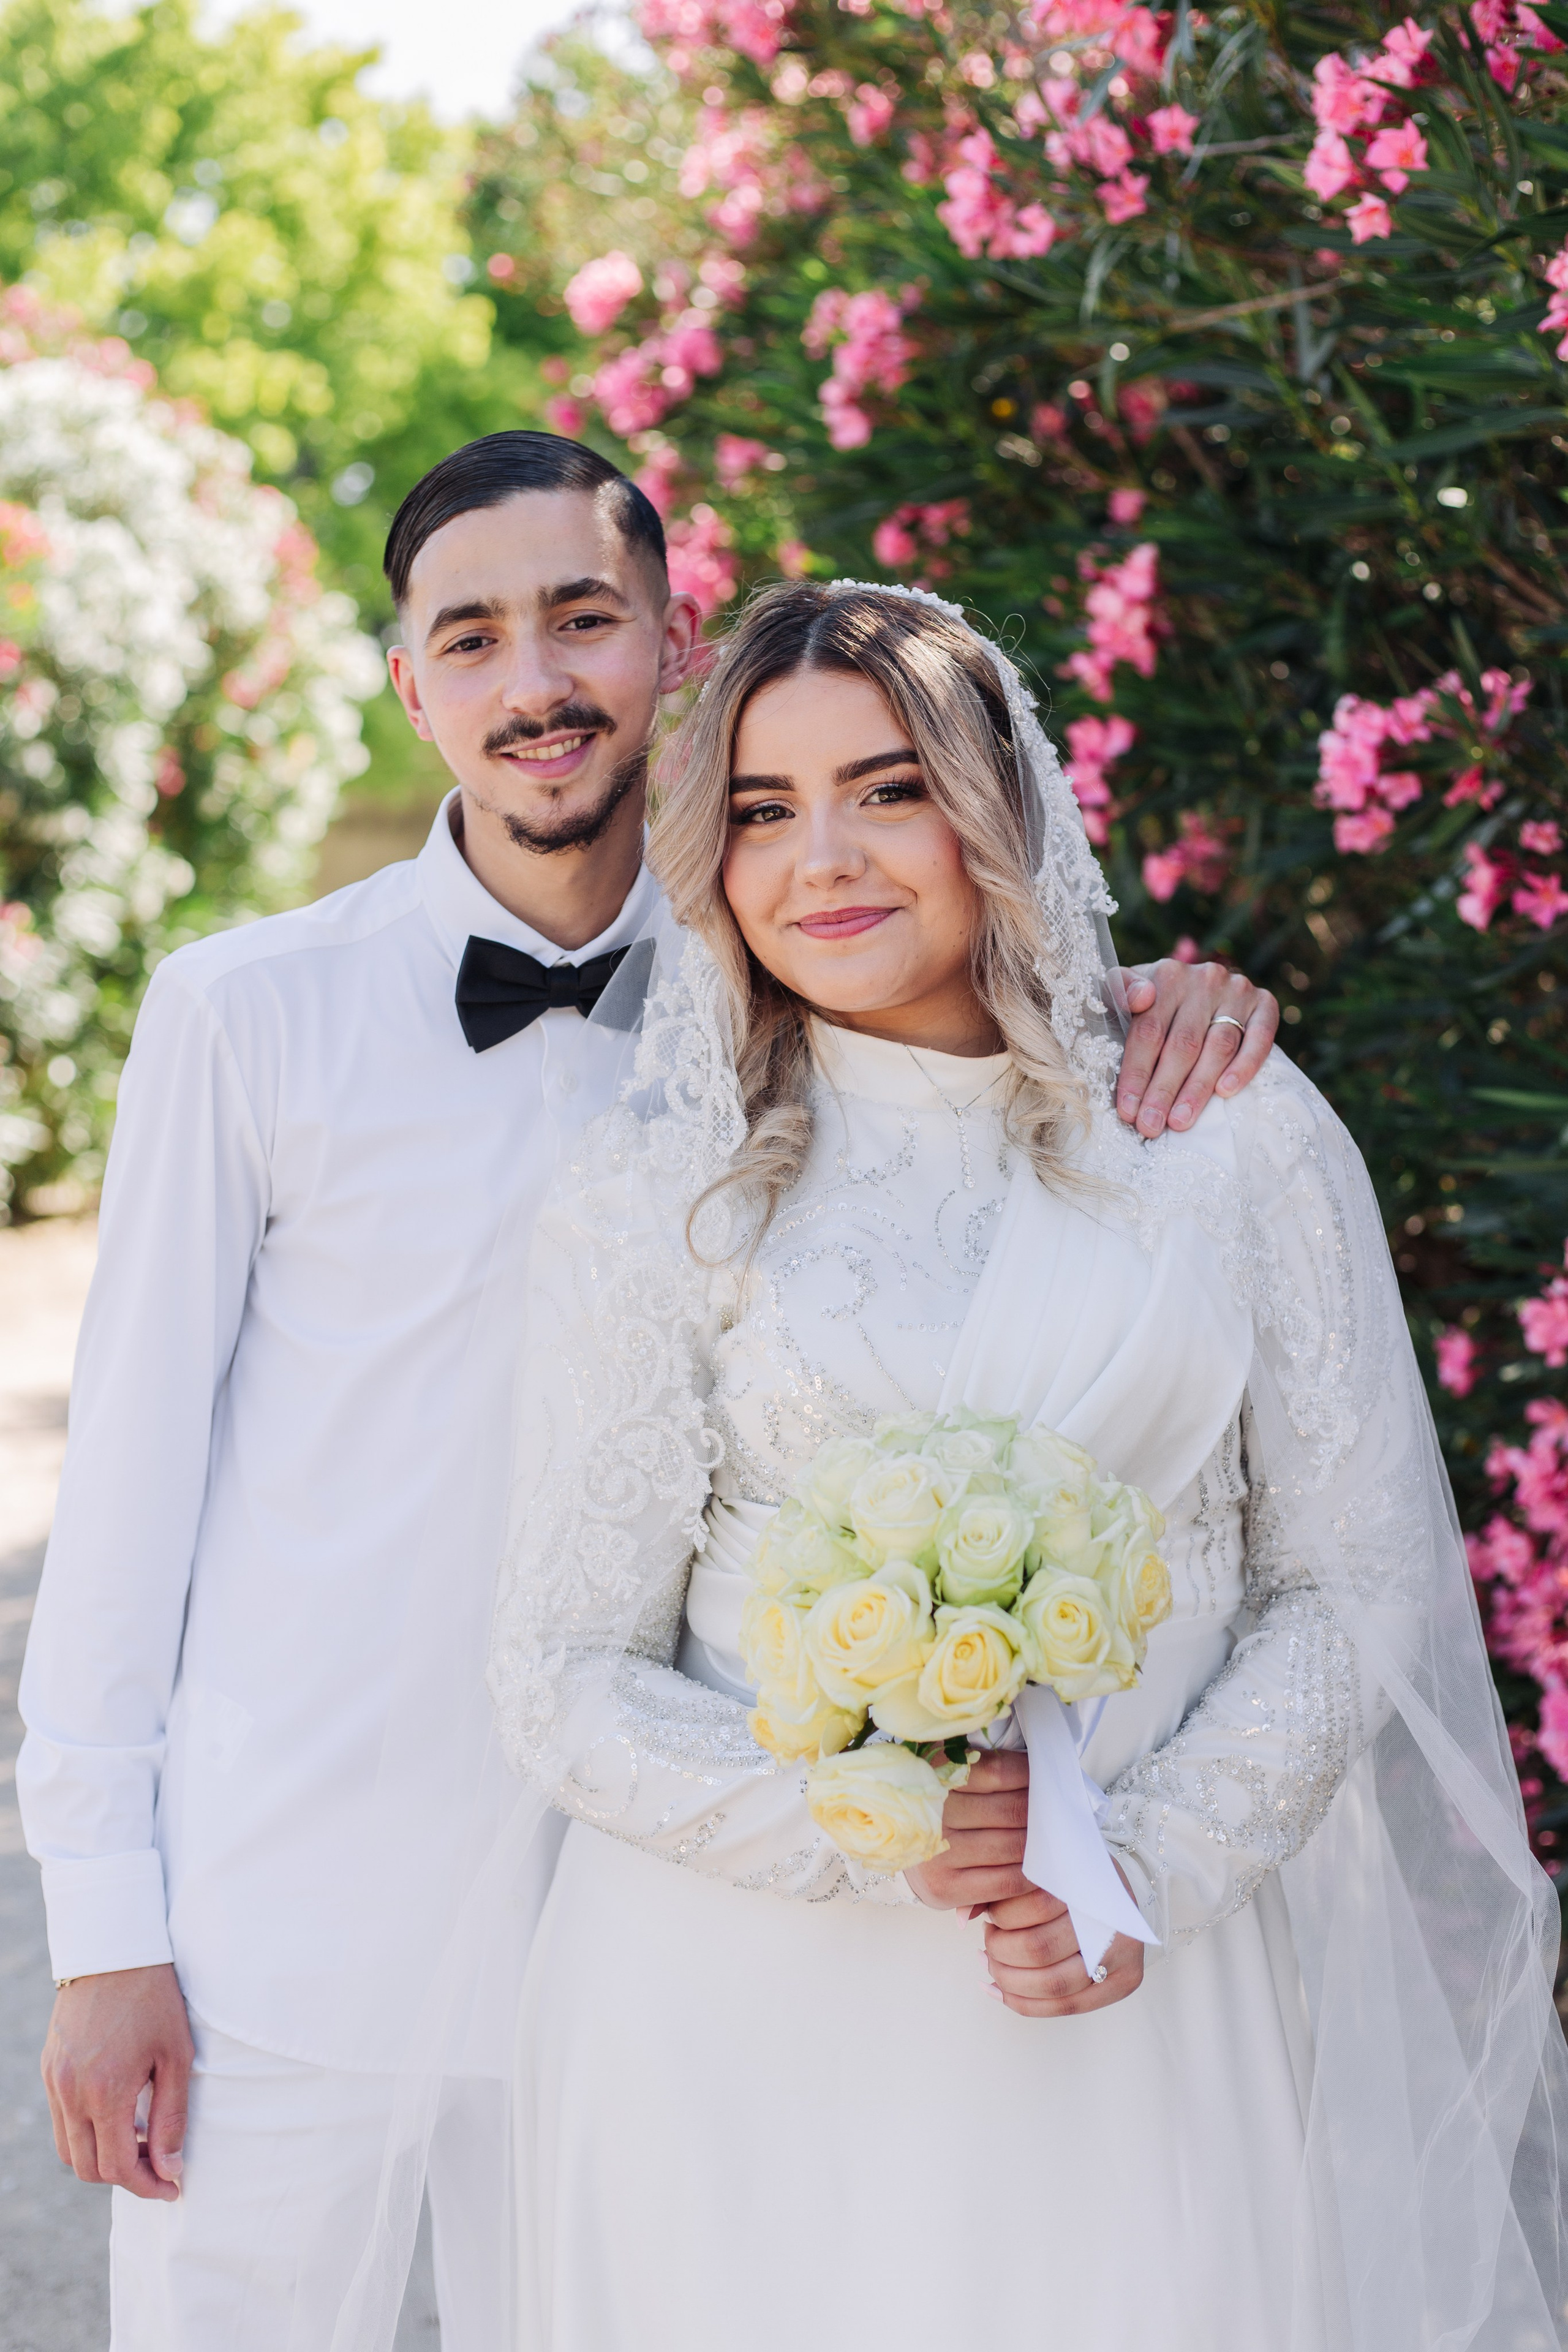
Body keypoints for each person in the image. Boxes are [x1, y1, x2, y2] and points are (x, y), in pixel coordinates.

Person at [15, 436, 1276, 2351]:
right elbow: (121, 1496)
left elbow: (1002, 1062)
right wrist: (105, 1928)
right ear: (409, 683)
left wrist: (1169, 995)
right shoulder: (242, 1013)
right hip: (294, 1919)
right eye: (475, 636)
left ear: (674, 646)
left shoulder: (803, 982)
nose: (537, 683)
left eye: (584, 619)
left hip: (652, 1929)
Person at [483, 580, 1568, 2352]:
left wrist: (1143, 1861)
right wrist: (891, 1832)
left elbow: (1348, 1575)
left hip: (1130, 1983)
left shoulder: (1220, 1134)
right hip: (735, 2016)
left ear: (996, 805)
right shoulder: (661, 1201)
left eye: (888, 786)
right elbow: (559, 1674)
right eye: (761, 809)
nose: (821, 857)